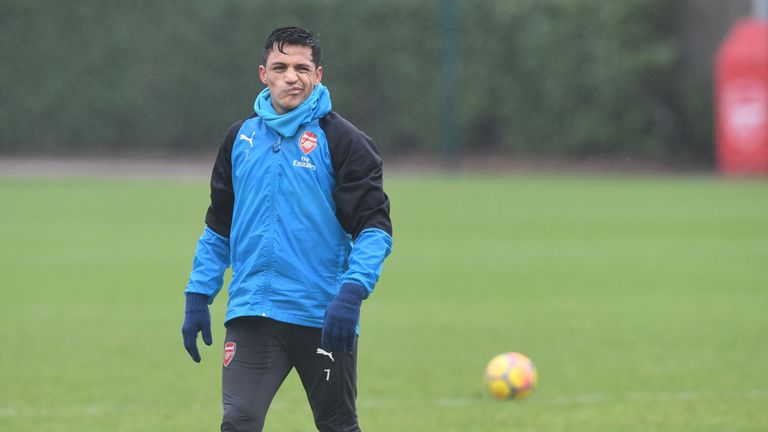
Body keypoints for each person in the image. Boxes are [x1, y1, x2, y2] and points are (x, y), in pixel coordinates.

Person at [181, 26, 393, 432]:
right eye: (280, 67)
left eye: (301, 67)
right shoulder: (239, 138)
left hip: (322, 315)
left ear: (318, 75)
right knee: (239, 420)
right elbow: (218, 227)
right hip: (252, 312)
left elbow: (375, 230)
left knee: (337, 424)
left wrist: (350, 294)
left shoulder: (344, 141)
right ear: (264, 74)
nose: (291, 76)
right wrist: (197, 294)